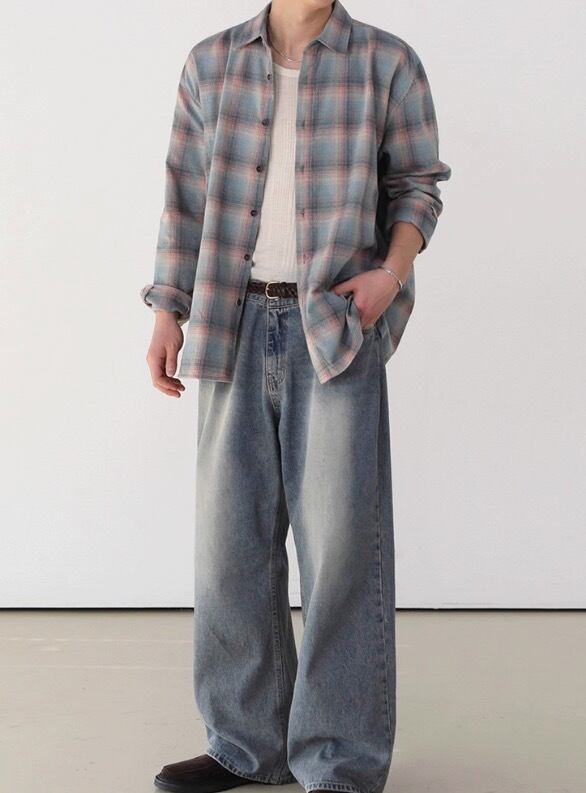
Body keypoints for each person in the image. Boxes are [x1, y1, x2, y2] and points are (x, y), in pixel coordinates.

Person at [140, 2, 451, 792]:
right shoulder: (210, 63)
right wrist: (167, 309)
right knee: (228, 547)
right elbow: (184, 197)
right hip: (229, 322)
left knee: (341, 551)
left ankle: (340, 758)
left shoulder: (387, 62)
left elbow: (418, 187)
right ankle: (246, 744)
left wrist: (389, 275)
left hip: (335, 326)